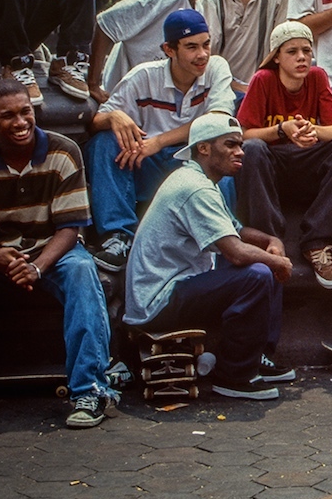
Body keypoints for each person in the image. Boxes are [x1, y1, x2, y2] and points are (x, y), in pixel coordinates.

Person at [0, 79, 118, 429]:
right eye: (8, 115)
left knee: (82, 270)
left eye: (25, 112)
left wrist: (39, 267)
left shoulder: (63, 151)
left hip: (51, 256)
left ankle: (88, 389)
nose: (20, 122)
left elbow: (70, 227)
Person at [124, 113, 295, 400]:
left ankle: (255, 358)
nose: (240, 151)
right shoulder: (194, 187)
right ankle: (235, 376)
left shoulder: (202, 180)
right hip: (157, 301)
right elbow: (236, 253)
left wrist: (271, 241)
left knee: (266, 260)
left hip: (179, 286)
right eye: (230, 144)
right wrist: (278, 261)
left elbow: (236, 231)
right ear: (203, 148)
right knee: (259, 273)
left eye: (240, 144)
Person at [87, 10, 235, 272]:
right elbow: (96, 120)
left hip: (192, 163)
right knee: (104, 143)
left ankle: (224, 239)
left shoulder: (216, 67)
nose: (202, 54)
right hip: (149, 164)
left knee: (220, 154)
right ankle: (117, 237)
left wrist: (158, 141)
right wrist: (114, 116)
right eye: (191, 47)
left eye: (206, 44)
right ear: (169, 49)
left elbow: (217, 121)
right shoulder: (143, 75)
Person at [235, 21, 332, 293]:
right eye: (292, 51)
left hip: (307, 164)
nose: (302, 57)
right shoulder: (263, 80)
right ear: (277, 57)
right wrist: (283, 130)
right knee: (254, 149)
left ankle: (318, 241)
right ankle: (269, 241)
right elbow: (244, 134)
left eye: (306, 50)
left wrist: (310, 129)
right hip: (274, 166)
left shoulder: (317, 77)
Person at [88, 0, 229, 101]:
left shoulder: (198, 2)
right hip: (124, 93)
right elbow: (107, 23)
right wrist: (93, 84)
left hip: (153, 99)